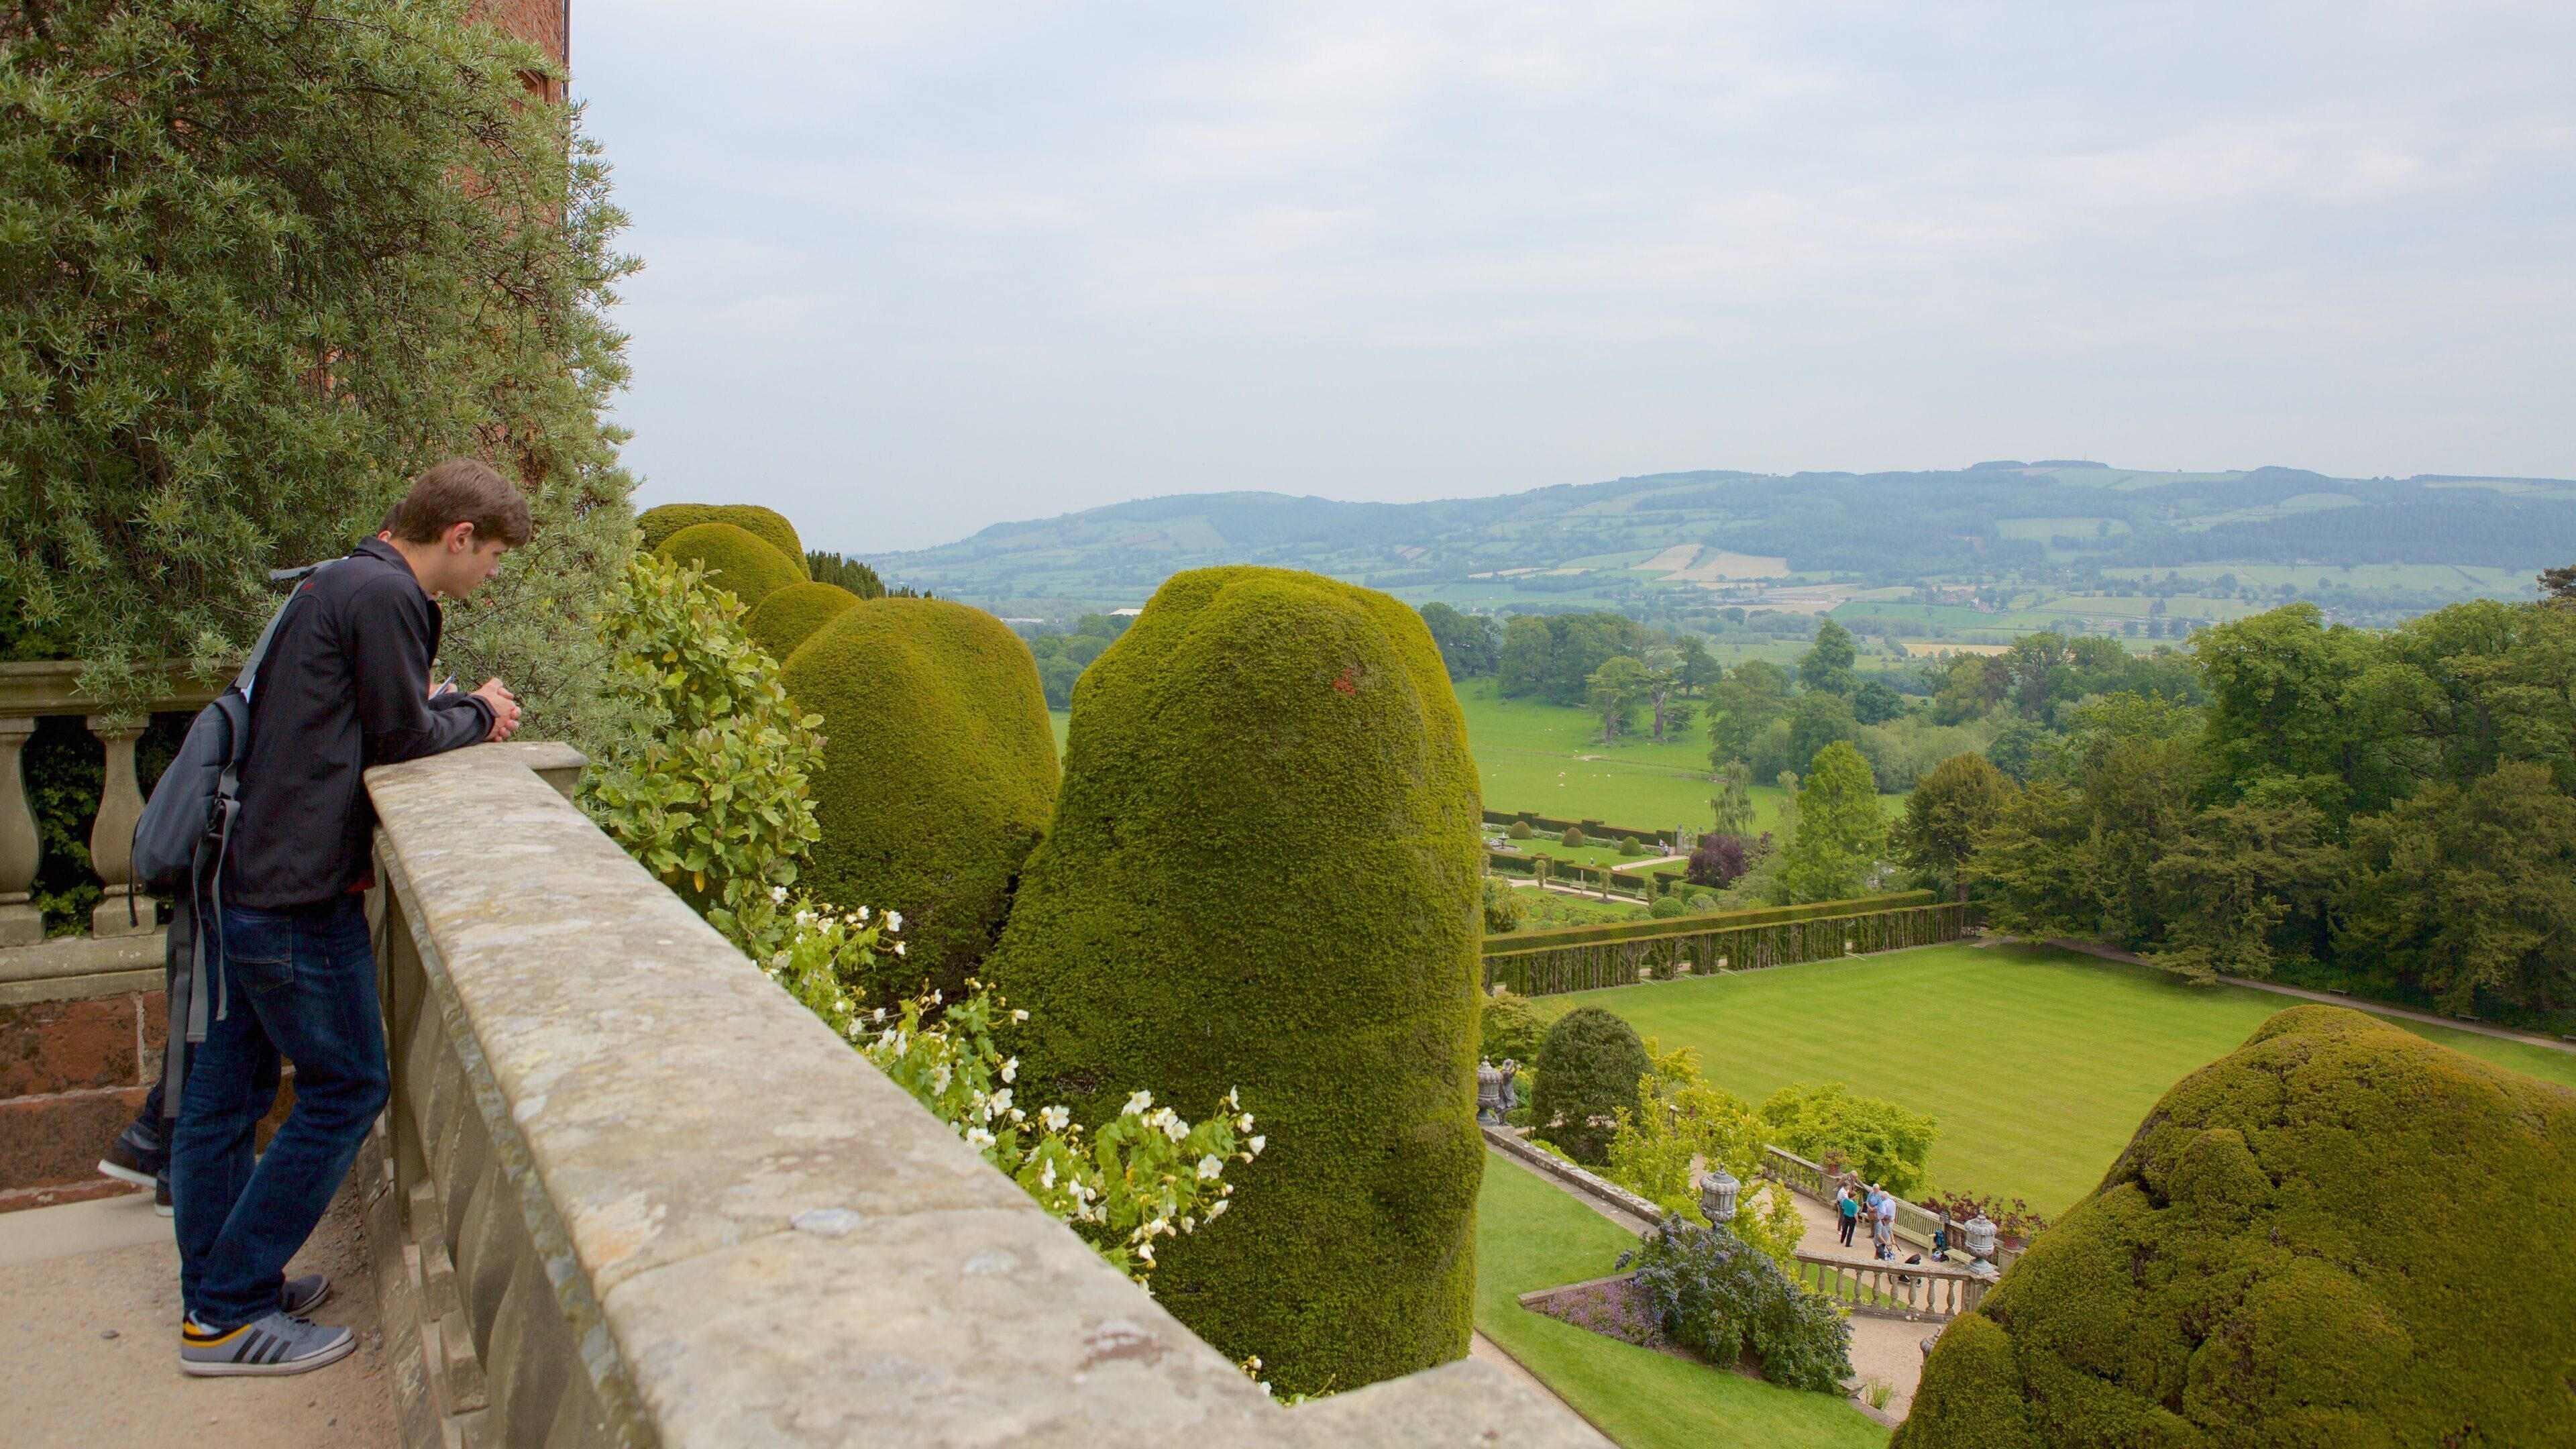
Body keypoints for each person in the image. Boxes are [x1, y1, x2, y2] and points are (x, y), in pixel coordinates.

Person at [170, 460, 526, 1377]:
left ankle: (215, 1289)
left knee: (227, 1097)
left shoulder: (339, 577)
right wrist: (480, 713)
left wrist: (442, 705)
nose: (490, 573)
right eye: (491, 556)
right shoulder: (389, 598)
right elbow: (401, 738)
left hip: (244, 877)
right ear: (458, 538)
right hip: (297, 893)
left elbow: (368, 719)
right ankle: (227, 1309)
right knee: (347, 1088)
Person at [1835, 1183, 1860, 1248]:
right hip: (1851, 1218)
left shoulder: (1845, 1200)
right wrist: (1857, 1220)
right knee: (1851, 1231)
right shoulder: (1854, 1205)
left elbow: (1843, 1206)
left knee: (1845, 1229)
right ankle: (1848, 1243)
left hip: (1846, 1215)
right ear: (1853, 1197)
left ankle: (1842, 1240)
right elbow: (1855, 1214)